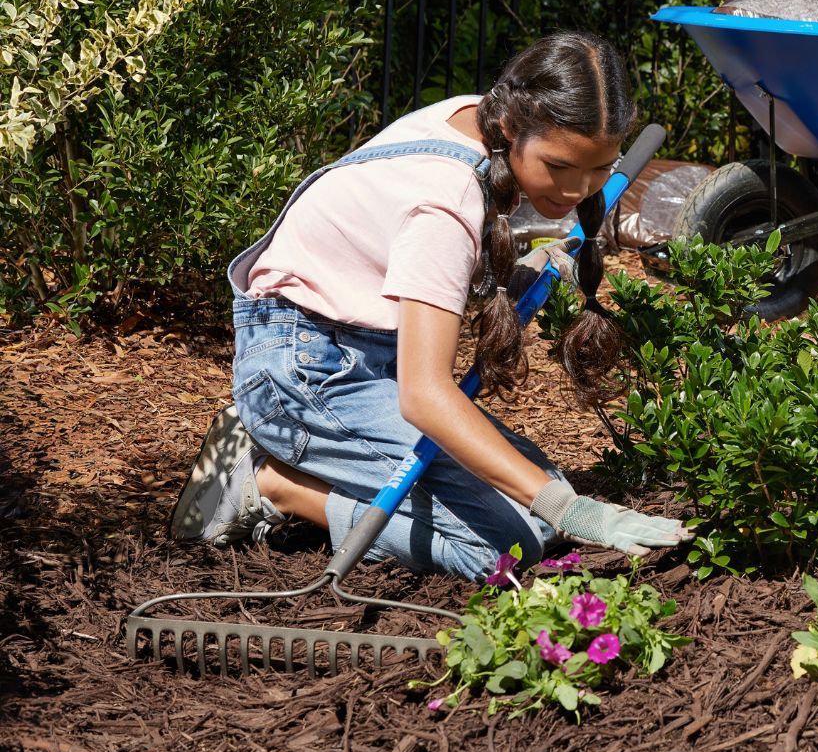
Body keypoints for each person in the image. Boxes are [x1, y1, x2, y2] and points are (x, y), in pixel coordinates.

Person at [169, 32, 693, 578]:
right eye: (560, 167)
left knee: (541, 507)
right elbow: (424, 395)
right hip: (307, 374)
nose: (580, 189)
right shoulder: (445, 201)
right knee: (503, 550)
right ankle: (273, 484)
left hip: (360, 353)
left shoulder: (480, 116)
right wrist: (572, 509)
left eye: (599, 169)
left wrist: (519, 271)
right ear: (514, 127)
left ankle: (326, 462)